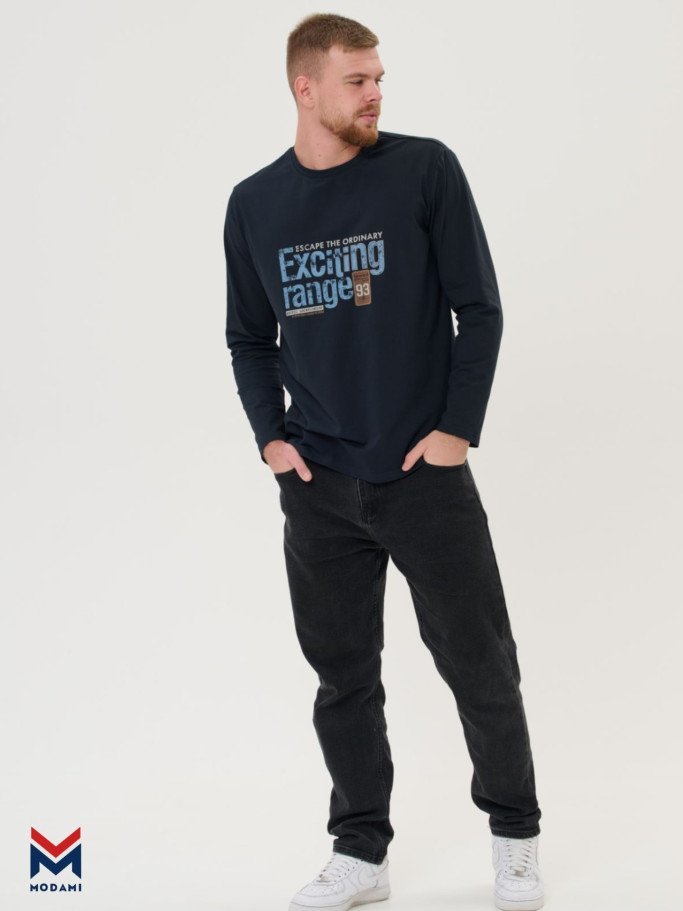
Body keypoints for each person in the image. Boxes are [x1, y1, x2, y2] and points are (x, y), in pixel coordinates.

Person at [223, 13, 544, 911]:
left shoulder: (423, 169)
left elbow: (479, 309)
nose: (374, 95)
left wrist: (454, 433)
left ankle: (515, 837)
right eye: (356, 81)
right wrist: (271, 438)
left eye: (378, 79)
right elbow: (248, 337)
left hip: (423, 477)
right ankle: (359, 849)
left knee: (480, 664)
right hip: (318, 486)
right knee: (343, 679)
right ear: (305, 88)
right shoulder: (254, 203)